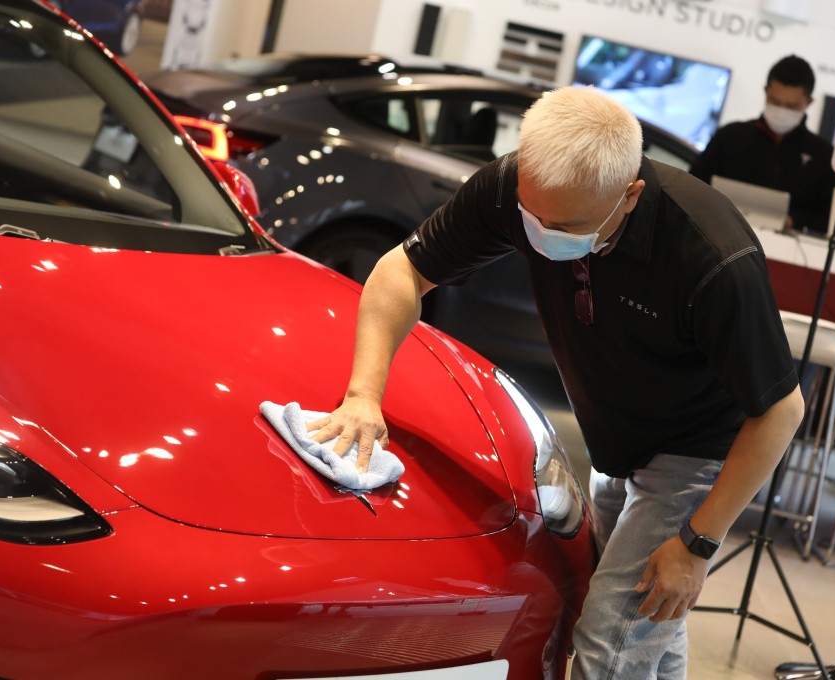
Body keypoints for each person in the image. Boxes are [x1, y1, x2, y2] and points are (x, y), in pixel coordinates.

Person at [308, 86, 805, 679]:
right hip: (616, 444)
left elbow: (781, 411)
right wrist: (364, 394)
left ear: (630, 196)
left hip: (700, 452)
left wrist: (697, 543)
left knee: (605, 642)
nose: (542, 233)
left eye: (564, 225)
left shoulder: (710, 253)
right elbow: (400, 272)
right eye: (531, 216)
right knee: (646, 621)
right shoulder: (517, 186)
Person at [689, 54, 835, 235]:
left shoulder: (824, 155)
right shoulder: (730, 135)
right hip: (719, 235)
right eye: (775, 101)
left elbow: (831, 218)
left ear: (809, 102)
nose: (781, 111)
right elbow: (693, 186)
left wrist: (793, 220)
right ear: (765, 92)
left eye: (791, 106)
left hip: (788, 250)